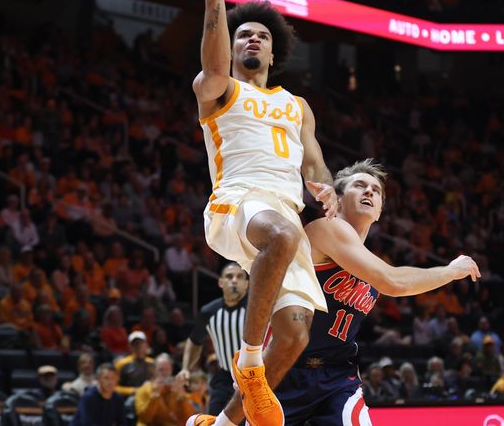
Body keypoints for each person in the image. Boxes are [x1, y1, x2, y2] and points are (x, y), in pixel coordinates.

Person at [190, 160, 480, 426]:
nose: (369, 191)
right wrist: (452, 271)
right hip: (286, 369)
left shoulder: (365, 259)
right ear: (338, 199)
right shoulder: (326, 229)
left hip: (336, 375)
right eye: (359, 185)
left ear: (379, 211)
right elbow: (393, 282)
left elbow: (391, 279)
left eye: (376, 190)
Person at [188, 0, 338, 426]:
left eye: (261, 36)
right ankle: (249, 362)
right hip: (237, 203)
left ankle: (226, 423)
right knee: (283, 232)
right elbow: (211, 66)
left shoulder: (297, 106)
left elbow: (312, 164)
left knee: (296, 333)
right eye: (242, 34)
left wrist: (326, 187)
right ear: (230, 45)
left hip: (283, 210)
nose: (252, 39)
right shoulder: (218, 90)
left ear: (274, 51)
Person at [177, 261, 248, 415]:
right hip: (224, 378)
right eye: (229, 277)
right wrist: (185, 368)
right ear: (221, 283)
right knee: (214, 419)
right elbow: (195, 341)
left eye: (239, 277)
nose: (234, 280)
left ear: (247, 284)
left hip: (253, 377)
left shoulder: (257, 308)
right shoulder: (209, 311)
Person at [134, 353, 195, 426]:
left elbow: (187, 419)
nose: (165, 373)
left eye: (168, 369)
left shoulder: (177, 389)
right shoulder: (144, 389)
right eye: (161, 370)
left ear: (172, 370)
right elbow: (145, 419)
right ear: (154, 371)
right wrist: (154, 396)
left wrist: (182, 398)